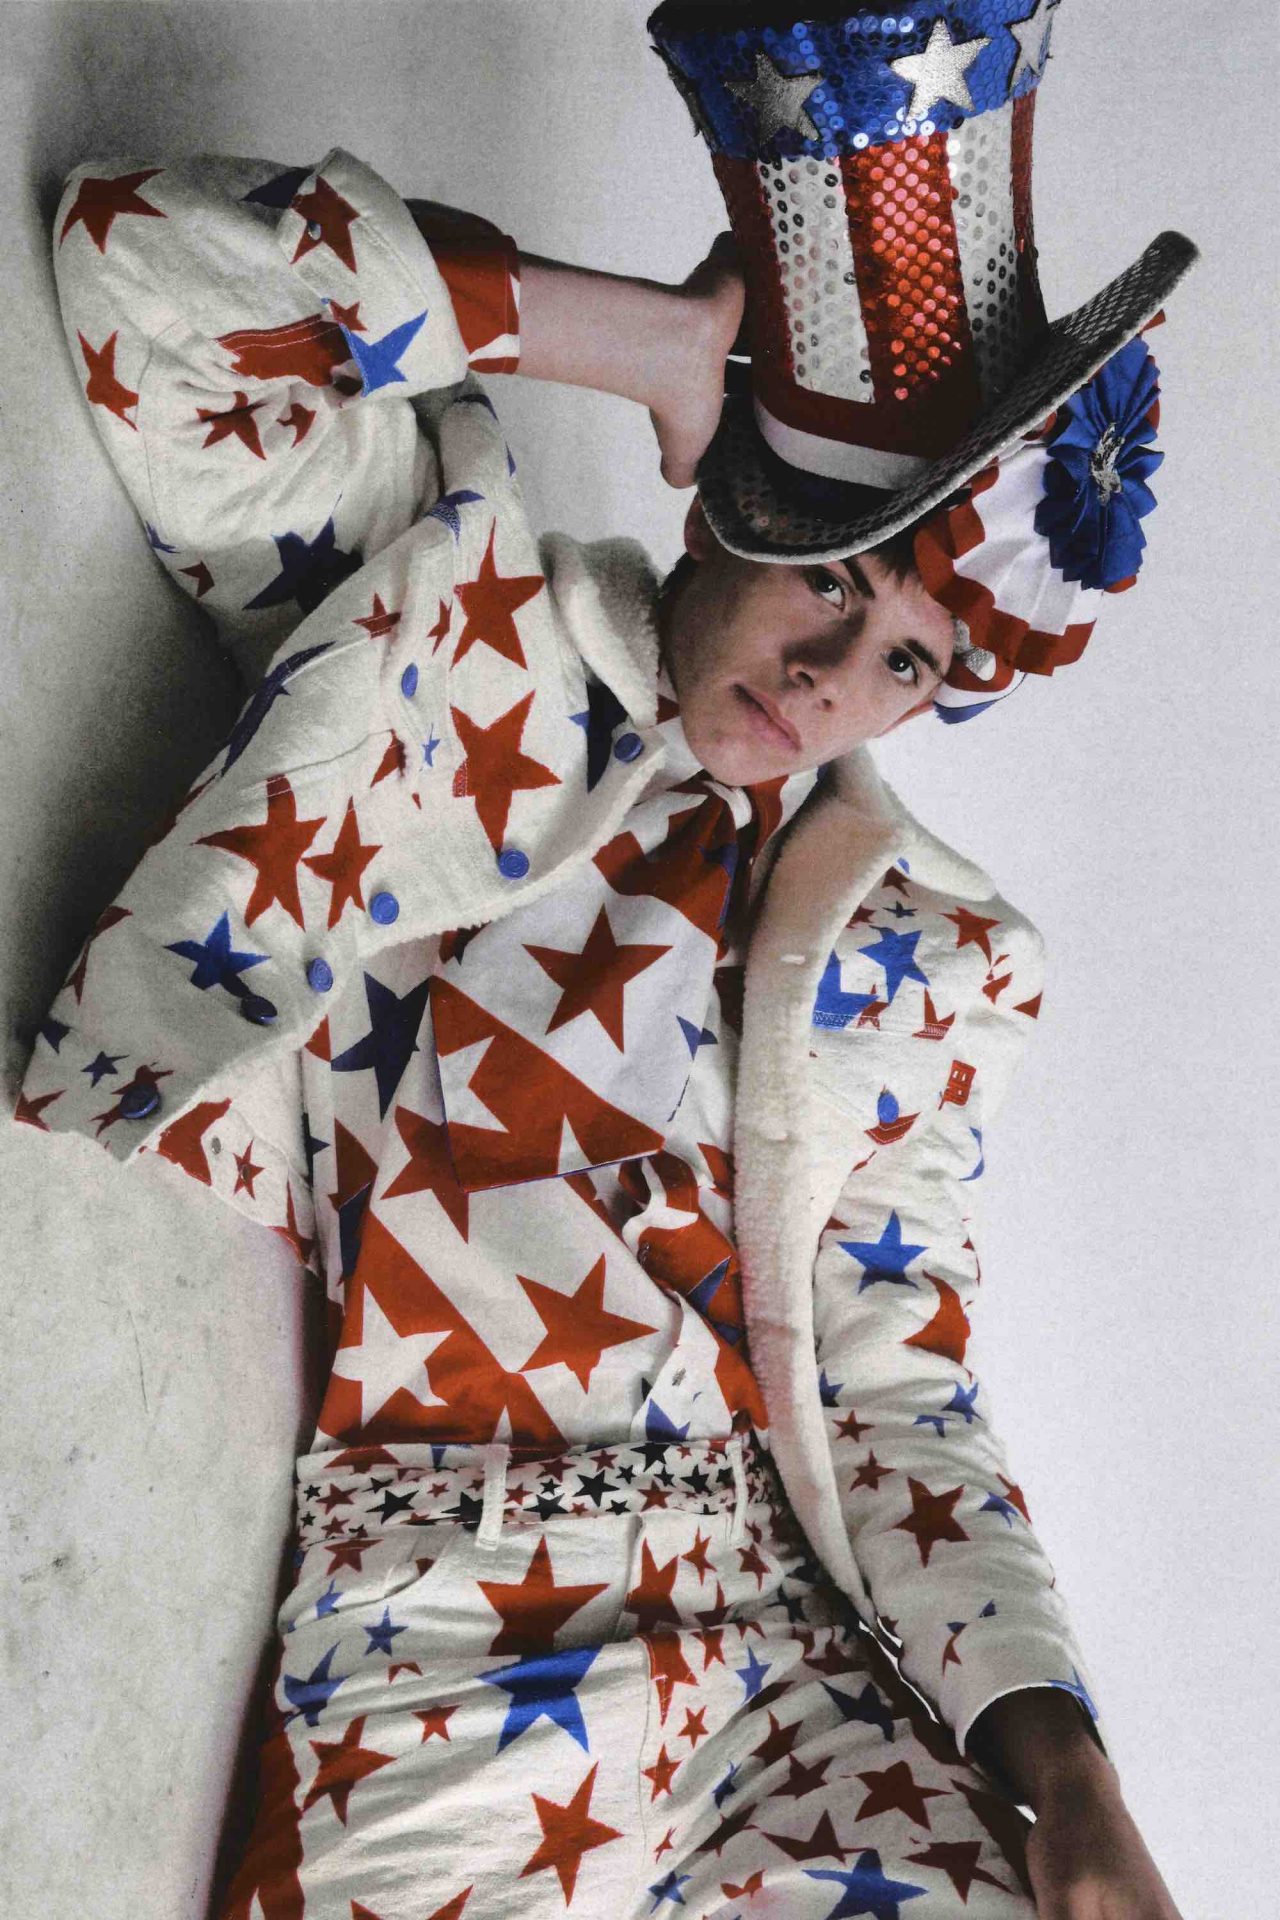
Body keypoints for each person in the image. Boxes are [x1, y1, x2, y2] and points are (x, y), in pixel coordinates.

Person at [16, 4, 1195, 1915]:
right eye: (830, 574)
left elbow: (900, 1391)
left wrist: (1070, 1776)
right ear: (729, 501)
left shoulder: (935, 957)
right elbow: (136, 277)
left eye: (906, 655)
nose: (830, 679)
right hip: (445, 1631)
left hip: (787, 1669)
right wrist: (633, 340)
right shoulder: (458, 633)